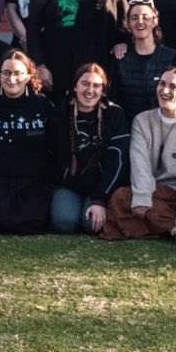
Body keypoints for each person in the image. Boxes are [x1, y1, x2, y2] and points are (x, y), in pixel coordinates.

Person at [100, 67, 176, 245]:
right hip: (148, 190)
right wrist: (142, 195)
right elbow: (139, 162)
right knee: (120, 197)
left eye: (173, 87)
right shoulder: (142, 121)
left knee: (122, 201)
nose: (165, 91)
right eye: (161, 84)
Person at [0, 51, 55, 234]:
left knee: (30, 225)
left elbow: (54, 146)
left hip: (33, 182)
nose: (11, 78)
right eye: (6, 73)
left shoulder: (43, 105)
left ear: (29, 76)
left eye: (18, 73)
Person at [50, 63, 131, 234]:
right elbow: (51, 154)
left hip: (100, 185)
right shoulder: (61, 113)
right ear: (75, 86)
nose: (90, 90)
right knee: (64, 223)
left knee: (90, 225)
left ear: (103, 89)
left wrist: (100, 199)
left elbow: (117, 160)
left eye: (96, 85)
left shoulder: (114, 114)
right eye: (85, 84)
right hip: (69, 185)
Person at [110, 0, 176, 121]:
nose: (140, 22)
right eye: (134, 17)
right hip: (129, 127)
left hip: (162, 125)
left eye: (145, 17)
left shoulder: (170, 56)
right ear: (128, 23)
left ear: (154, 21)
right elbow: (113, 98)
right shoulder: (120, 57)